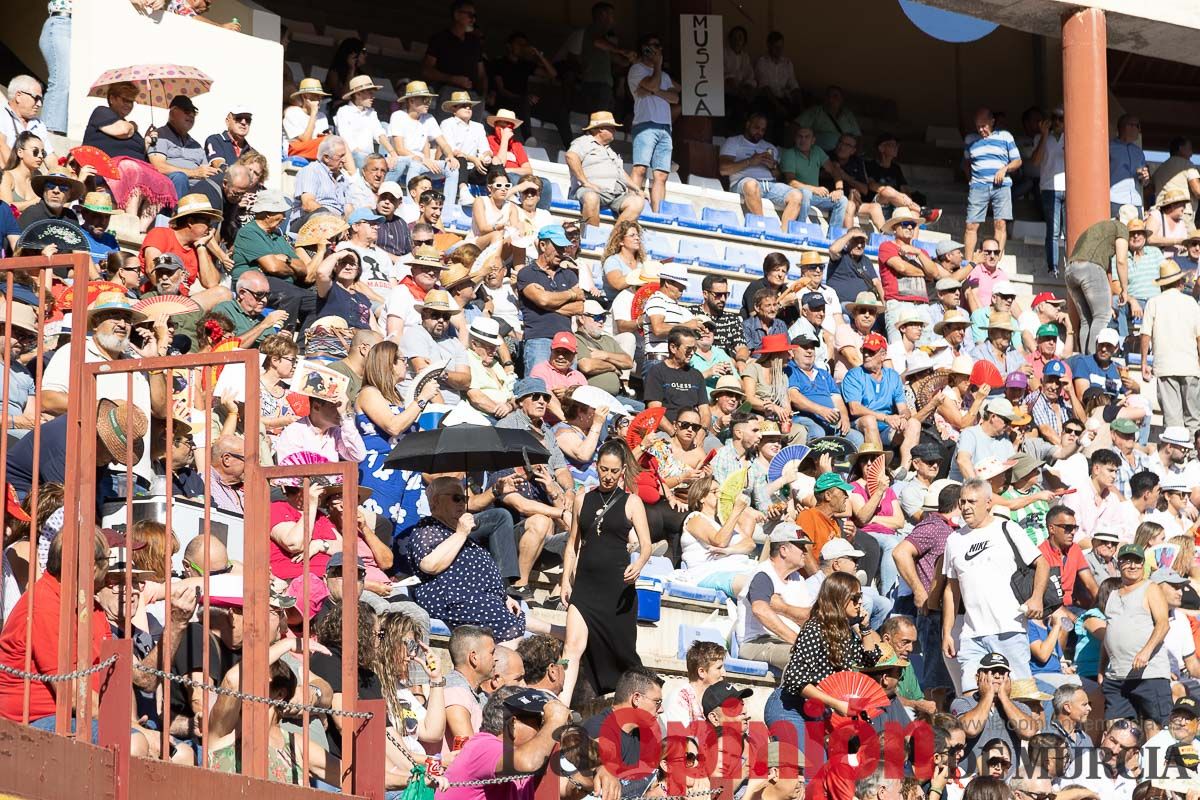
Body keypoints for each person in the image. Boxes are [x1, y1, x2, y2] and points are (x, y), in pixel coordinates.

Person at [558, 440, 650, 703]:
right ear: (596, 467)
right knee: (571, 647)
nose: (608, 476)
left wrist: (640, 563)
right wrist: (566, 581)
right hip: (586, 586)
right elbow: (572, 545)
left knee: (624, 653)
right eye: (603, 469)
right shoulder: (582, 498)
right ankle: (561, 705)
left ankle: (643, 701)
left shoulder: (632, 502)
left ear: (622, 471)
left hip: (617, 588)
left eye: (613, 471)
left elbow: (646, 545)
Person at [944, 478, 1048, 692]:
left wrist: (1036, 597)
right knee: (970, 695)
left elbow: (1042, 563)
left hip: (1009, 628)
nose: (965, 507)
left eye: (972, 501)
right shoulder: (954, 540)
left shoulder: (1007, 528)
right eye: (962, 502)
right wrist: (947, 632)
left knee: (1021, 695)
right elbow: (951, 589)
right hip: (971, 634)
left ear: (988, 502)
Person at [410, 479, 526, 646]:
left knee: (514, 615)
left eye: (464, 499)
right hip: (450, 598)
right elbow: (429, 565)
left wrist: (502, 595)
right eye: (456, 498)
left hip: (477, 598)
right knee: (510, 629)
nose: (462, 503)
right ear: (435, 501)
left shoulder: (456, 532)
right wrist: (461, 533)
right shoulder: (427, 528)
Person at [355, 339, 438, 536]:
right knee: (380, 531)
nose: (406, 364)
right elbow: (393, 426)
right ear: (388, 363)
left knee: (404, 535)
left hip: (406, 472)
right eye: (402, 359)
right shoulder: (368, 393)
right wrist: (422, 398)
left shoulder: (396, 398)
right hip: (381, 471)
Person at [779, 571, 883, 717]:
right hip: (794, 708)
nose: (860, 602)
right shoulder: (815, 629)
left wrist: (865, 627)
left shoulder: (844, 632)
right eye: (855, 597)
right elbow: (796, 679)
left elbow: (870, 660)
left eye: (861, 597)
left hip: (822, 709)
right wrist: (836, 703)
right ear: (839, 599)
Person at [81, 81, 177, 226]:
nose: (129, 105)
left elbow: (139, 152)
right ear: (112, 98)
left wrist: (146, 141)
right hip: (107, 171)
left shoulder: (128, 125)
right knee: (131, 168)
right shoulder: (102, 112)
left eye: (131, 101)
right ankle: (130, 221)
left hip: (131, 172)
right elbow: (123, 131)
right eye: (125, 100)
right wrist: (133, 125)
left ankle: (141, 228)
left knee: (165, 182)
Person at [1103, 543, 1172, 730]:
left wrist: (1146, 652)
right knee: (1117, 732)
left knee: (1154, 729)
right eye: (1127, 561)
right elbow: (1108, 633)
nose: (1132, 566)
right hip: (1117, 676)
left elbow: (1163, 624)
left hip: (1149, 673)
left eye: (1137, 561)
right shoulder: (1113, 594)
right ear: (1118, 564)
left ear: (1143, 564)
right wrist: (1101, 669)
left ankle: (1154, 761)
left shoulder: (1151, 588)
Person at [735, 525, 814, 670]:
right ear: (783, 550)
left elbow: (809, 618)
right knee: (801, 659)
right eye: (800, 546)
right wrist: (797, 641)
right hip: (757, 642)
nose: (805, 552)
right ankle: (781, 694)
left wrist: (783, 608)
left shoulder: (798, 579)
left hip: (783, 642)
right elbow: (760, 610)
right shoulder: (763, 574)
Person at [1141, 260, 1200, 431]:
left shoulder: (1154, 302)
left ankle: (1177, 456)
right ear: (1180, 283)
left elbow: (1146, 334)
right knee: (1194, 419)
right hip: (1190, 366)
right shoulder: (1191, 303)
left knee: (1172, 420)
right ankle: (1194, 456)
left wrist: (1144, 362)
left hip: (1166, 367)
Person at [719, 112, 803, 232]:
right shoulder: (733, 142)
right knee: (751, 185)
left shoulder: (770, 147)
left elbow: (779, 176)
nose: (759, 132)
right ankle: (762, 226)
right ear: (748, 125)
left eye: (763, 130)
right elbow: (723, 170)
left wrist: (773, 167)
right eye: (756, 128)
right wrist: (750, 161)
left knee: (797, 195)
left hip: (770, 184)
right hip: (743, 183)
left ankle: (782, 234)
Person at [518, 225, 585, 374]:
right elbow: (542, 300)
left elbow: (579, 308)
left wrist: (548, 303)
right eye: (557, 247)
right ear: (542, 245)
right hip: (539, 339)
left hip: (566, 341)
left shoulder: (569, 274)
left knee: (567, 390)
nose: (562, 252)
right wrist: (571, 294)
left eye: (563, 248)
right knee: (538, 389)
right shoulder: (527, 273)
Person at [950, 654, 1040, 763]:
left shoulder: (1020, 708)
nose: (997, 676)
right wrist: (988, 696)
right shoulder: (963, 703)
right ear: (978, 677)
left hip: (1005, 778)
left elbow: (1028, 732)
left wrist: (1005, 698)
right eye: (991, 672)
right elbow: (971, 730)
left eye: (1002, 673)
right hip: (971, 777)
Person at [626, 34, 679, 213]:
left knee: (661, 175)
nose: (655, 49)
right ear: (644, 49)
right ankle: (630, 207)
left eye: (658, 45)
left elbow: (675, 97)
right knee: (640, 169)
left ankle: (657, 215)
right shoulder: (636, 69)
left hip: (665, 127)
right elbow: (652, 83)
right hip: (645, 124)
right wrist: (657, 66)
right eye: (651, 46)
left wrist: (654, 91)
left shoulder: (664, 75)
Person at [566, 111, 645, 227]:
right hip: (592, 191)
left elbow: (620, 173)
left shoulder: (610, 151)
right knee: (591, 197)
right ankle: (592, 238)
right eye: (611, 128)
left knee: (637, 202)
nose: (615, 131)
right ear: (600, 129)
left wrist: (637, 189)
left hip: (615, 194)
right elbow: (571, 156)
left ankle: (614, 240)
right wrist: (585, 182)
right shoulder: (584, 142)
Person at [1066, 214, 1130, 354]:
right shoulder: (1121, 228)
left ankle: (1084, 358)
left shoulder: (1098, 228)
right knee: (1102, 316)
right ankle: (1093, 361)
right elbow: (1121, 260)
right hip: (1090, 268)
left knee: (1086, 320)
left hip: (1071, 270)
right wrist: (1124, 289)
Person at [962, 108, 1021, 258]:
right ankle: (968, 263)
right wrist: (971, 180)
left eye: (984, 125)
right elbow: (966, 163)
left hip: (1001, 186)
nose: (981, 129)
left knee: (1000, 224)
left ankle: (997, 260)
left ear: (992, 122)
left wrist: (1004, 169)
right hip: (978, 187)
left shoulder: (1005, 136)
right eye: (978, 126)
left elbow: (1018, 161)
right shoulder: (970, 140)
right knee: (971, 225)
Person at [0, 75, 52, 164]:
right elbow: (1, 146)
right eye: (36, 98)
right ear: (19, 96)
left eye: (41, 99)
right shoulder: (2, 115)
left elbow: (49, 156)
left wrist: (60, 173)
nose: (39, 104)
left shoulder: (38, 124)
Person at [1110, 114, 1150, 215]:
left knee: (1137, 230)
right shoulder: (1109, 147)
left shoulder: (1138, 152)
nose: (1139, 130)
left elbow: (1145, 182)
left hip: (1136, 202)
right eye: (1137, 126)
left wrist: (1145, 178)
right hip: (1115, 200)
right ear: (1126, 126)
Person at [283, 78, 332, 159]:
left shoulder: (322, 116)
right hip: (297, 154)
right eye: (316, 96)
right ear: (305, 96)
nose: (319, 99)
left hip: (318, 153)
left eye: (321, 96)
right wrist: (313, 113)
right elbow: (306, 141)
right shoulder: (292, 113)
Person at [0, 131, 46, 214]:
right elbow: (6, 208)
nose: (41, 156)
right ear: (20, 152)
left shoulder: (39, 177)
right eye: (35, 151)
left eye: (43, 153)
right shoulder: (6, 176)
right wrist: (35, 202)